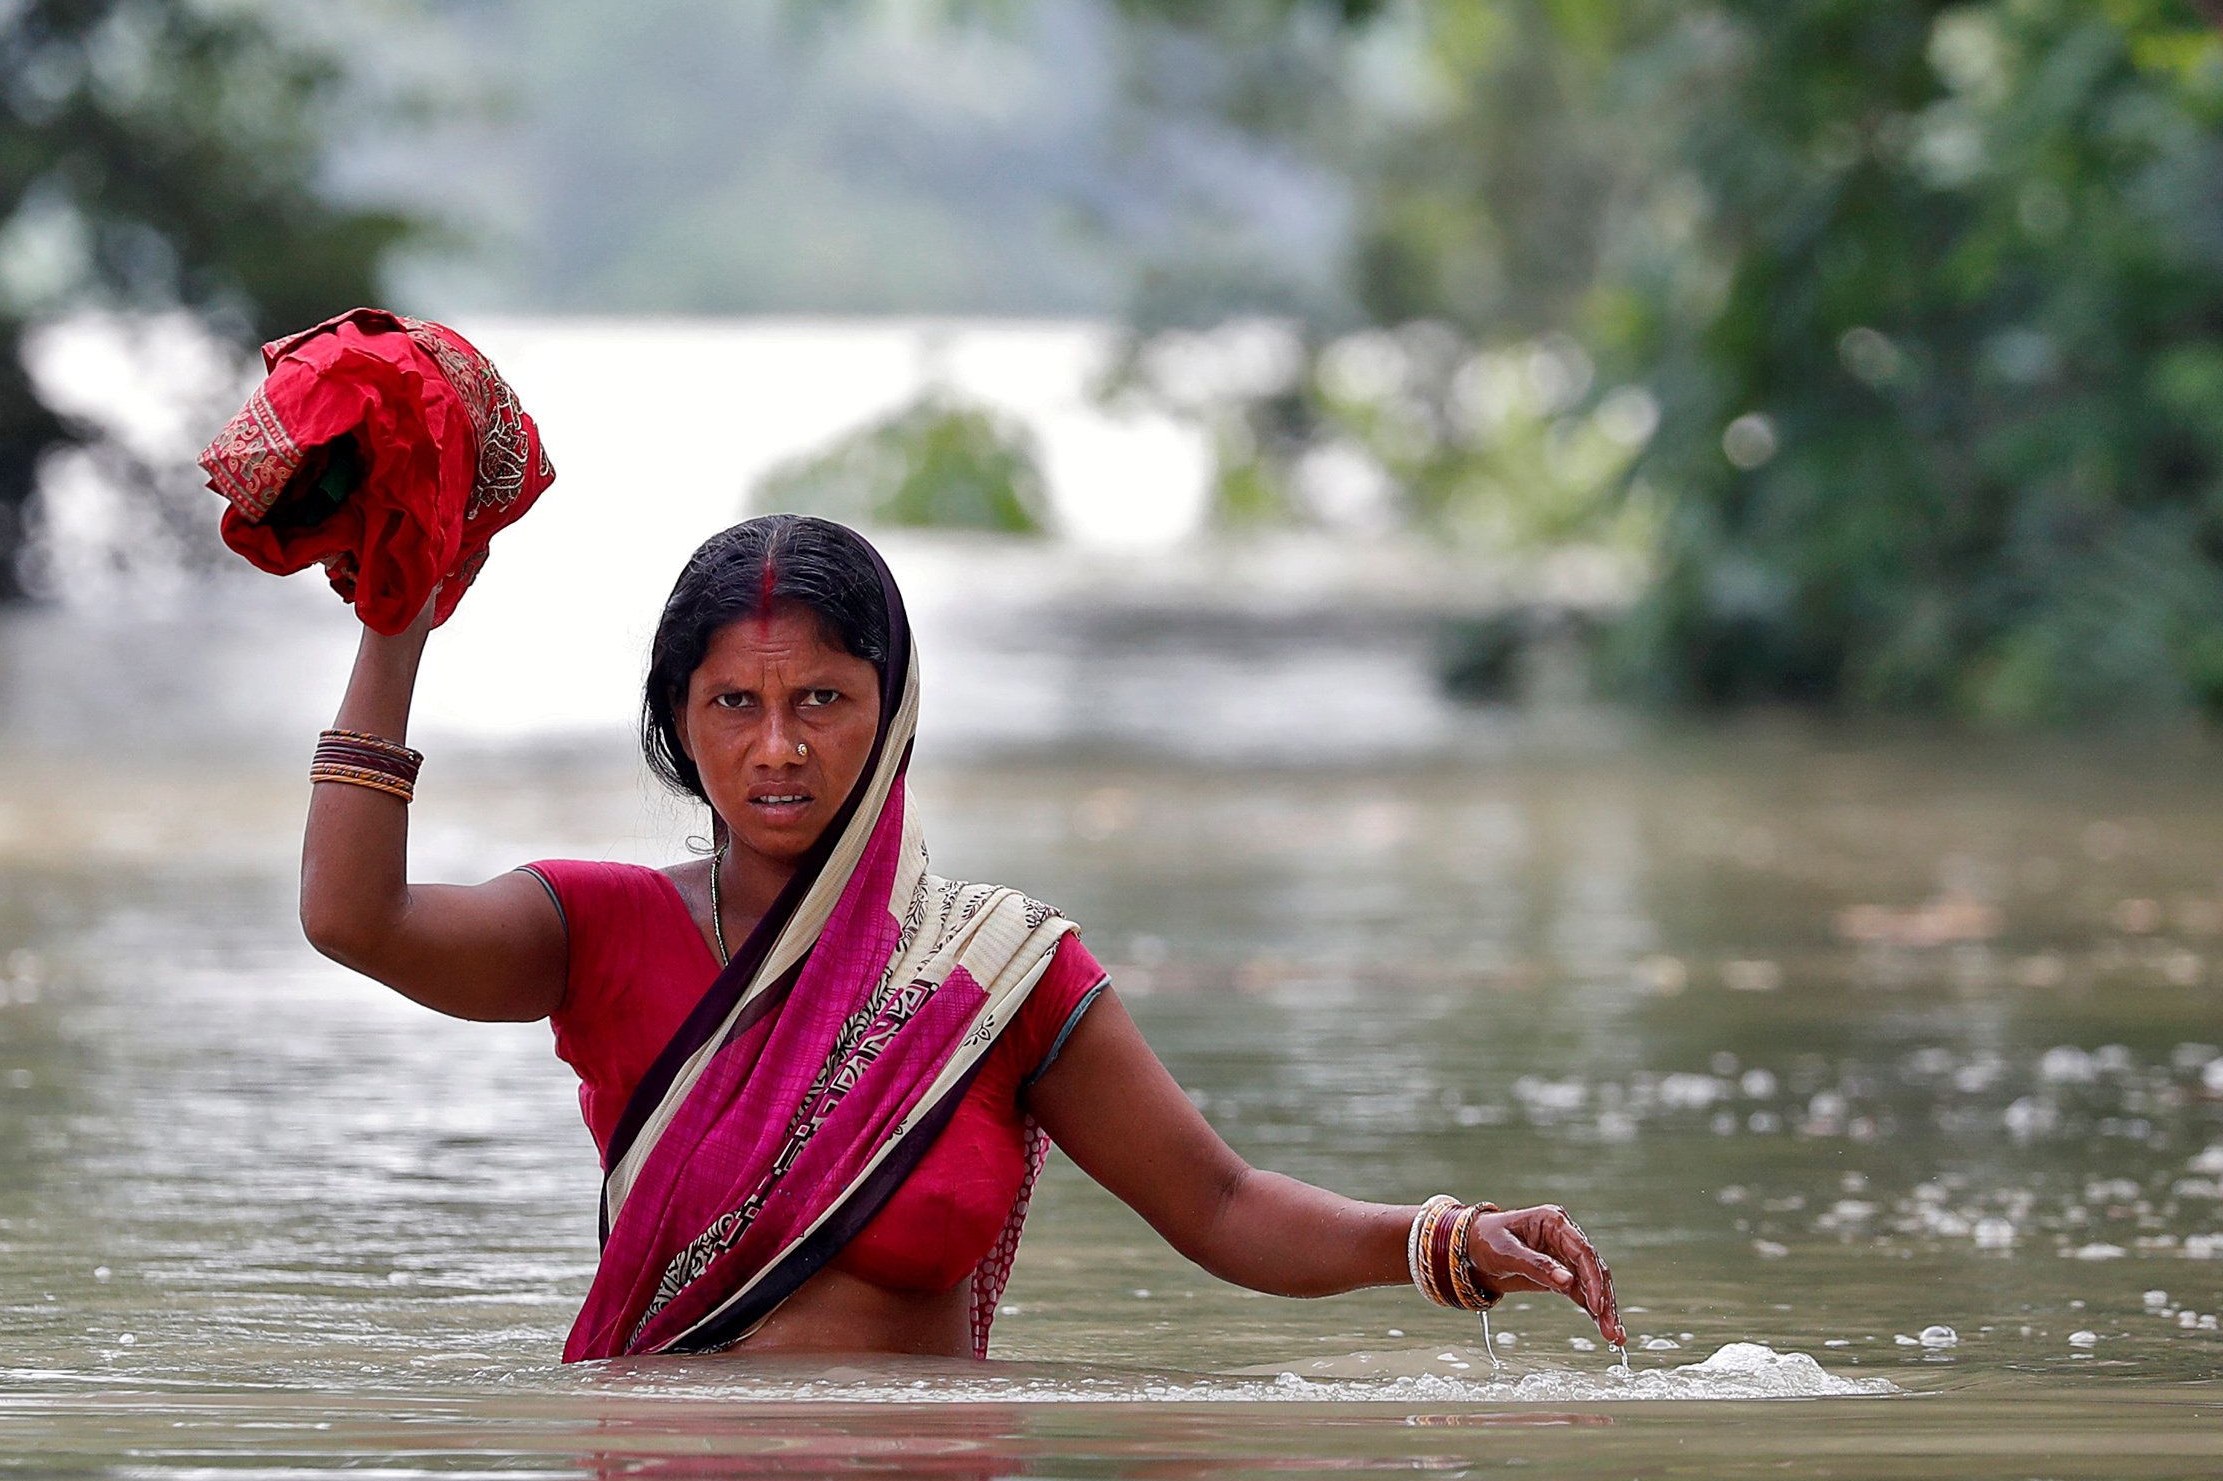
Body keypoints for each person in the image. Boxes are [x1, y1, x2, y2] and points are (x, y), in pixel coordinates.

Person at [298, 514, 1621, 1362]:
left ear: (896, 709)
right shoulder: (600, 928)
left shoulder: (1000, 972)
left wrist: (1443, 1241)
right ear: (675, 721)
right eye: (733, 703)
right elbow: (353, 920)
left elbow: (1221, 1205)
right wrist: (394, 627)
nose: (778, 748)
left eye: (823, 698)